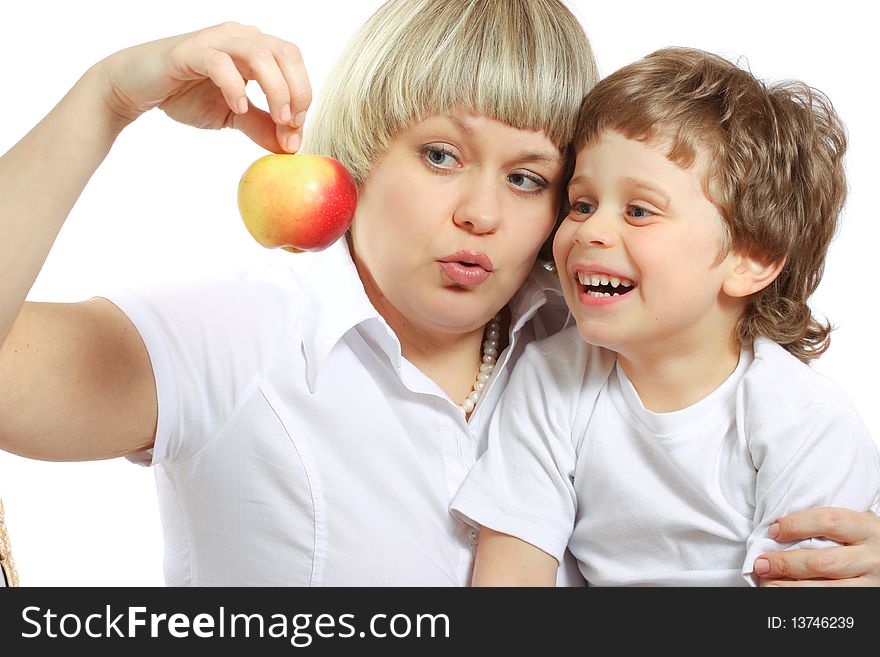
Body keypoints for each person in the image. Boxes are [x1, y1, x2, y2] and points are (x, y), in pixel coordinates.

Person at [0, 0, 877, 586]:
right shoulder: (239, 331)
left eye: (533, 179)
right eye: (441, 155)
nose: (483, 214)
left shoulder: (591, 338)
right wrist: (104, 100)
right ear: (364, 148)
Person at [451, 47, 880, 586]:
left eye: (638, 211)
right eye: (581, 204)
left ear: (753, 260)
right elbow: (508, 582)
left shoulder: (806, 421)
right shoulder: (552, 378)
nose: (590, 231)